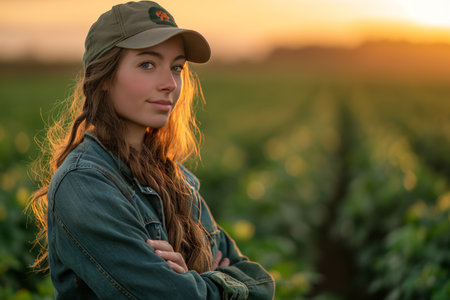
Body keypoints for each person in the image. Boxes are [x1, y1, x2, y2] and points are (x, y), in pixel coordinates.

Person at [28, 1, 275, 299]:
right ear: (104, 76)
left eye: (176, 67)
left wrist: (196, 281)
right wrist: (214, 280)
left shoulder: (177, 177)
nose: (169, 83)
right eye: (147, 64)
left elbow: (262, 282)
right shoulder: (84, 184)